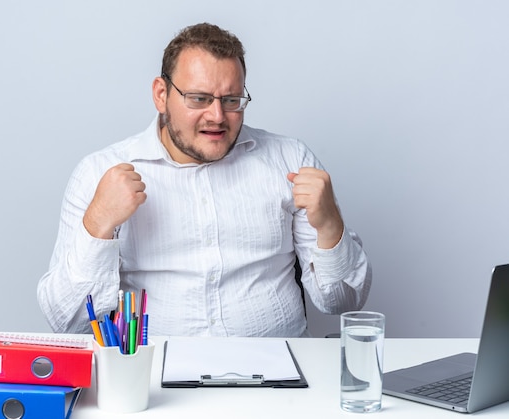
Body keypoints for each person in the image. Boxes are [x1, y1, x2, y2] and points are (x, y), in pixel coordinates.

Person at [37, 22, 371, 337]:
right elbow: (68, 321)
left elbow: (342, 302)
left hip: (279, 380)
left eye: (231, 101)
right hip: (149, 381)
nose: (217, 116)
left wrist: (330, 226)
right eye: (199, 99)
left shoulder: (290, 160)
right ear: (161, 94)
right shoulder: (100, 172)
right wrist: (98, 223)